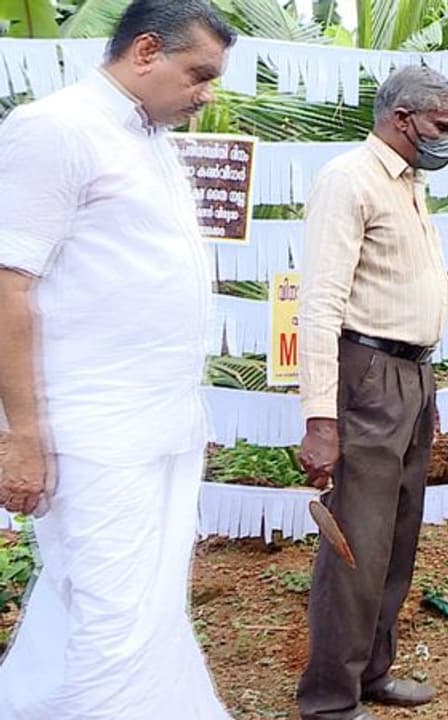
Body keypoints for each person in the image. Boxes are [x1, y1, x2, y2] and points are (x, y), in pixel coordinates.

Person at [0, 2, 235, 718]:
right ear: (143, 52)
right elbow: (8, 287)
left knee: (134, 604)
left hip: (161, 421)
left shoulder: (149, 142)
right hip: (92, 426)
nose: (207, 94)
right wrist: (23, 437)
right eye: (198, 75)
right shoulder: (56, 129)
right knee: (115, 619)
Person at [295, 65, 448, 720]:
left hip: (412, 377)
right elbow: (320, 303)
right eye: (441, 127)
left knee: (396, 535)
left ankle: (372, 672)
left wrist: (425, 387)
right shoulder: (349, 180)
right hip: (366, 375)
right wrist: (320, 418)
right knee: (356, 545)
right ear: (401, 120)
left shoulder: (411, 185)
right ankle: (329, 699)